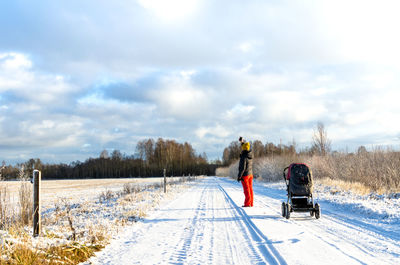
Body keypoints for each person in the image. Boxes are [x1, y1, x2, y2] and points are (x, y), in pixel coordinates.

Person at [237, 137, 254, 207]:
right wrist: (242, 142)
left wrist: (239, 176)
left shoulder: (243, 156)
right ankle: (251, 203)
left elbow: (242, 168)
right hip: (250, 174)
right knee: (250, 189)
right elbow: (246, 146)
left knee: (246, 190)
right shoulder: (250, 154)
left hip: (245, 175)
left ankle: (247, 204)